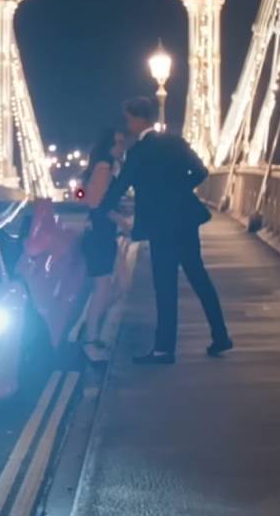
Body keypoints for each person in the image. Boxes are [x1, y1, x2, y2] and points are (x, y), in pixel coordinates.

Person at [92, 96, 232, 364]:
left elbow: (121, 185)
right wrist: (178, 189)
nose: (128, 125)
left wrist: (100, 210)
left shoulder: (138, 152)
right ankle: (221, 335)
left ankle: (164, 349)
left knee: (165, 286)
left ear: (138, 119)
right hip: (185, 219)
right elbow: (201, 172)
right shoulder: (175, 143)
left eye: (129, 119)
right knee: (199, 277)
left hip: (159, 225)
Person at [77, 128, 128, 362]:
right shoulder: (104, 168)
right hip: (99, 236)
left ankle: (91, 326)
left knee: (120, 286)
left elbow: (88, 198)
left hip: (103, 234)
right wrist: (122, 221)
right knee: (103, 289)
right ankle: (90, 340)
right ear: (108, 147)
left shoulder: (106, 168)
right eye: (117, 143)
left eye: (122, 142)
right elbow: (96, 205)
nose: (121, 146)